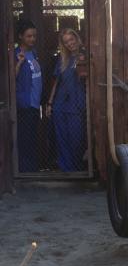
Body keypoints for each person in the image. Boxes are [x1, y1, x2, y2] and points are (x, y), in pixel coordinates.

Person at [46, 28, 87, 172]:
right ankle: (66, 170)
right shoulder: (63, 59)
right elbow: (56, 82)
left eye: (71, 39)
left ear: (76, 38)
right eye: (66, 42)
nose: (70, 44)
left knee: (77, 139)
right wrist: (50, 103)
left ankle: (77, 169)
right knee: (62, 139)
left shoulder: (85, 55)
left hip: (77, 103)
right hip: (60, 104)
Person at [15, 19, 42, 172]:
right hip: (24, 104)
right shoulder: (15, 54)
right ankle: (25, 171)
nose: (32, 39)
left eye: (34, 36)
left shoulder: (33, 53)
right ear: (21, 37)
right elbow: (10, 77)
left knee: (32, 137)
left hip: (34, 103)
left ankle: (32, 168)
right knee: (25, 139)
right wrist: (19, 63)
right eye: (28, 36)